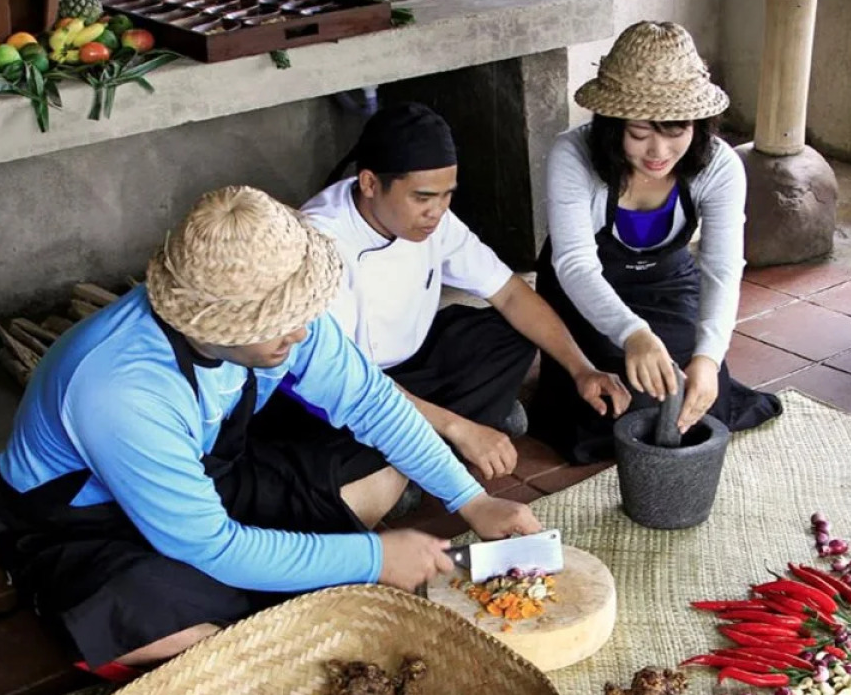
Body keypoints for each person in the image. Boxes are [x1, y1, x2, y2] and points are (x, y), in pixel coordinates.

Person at [0, 186, 541, 672]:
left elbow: (373, 403)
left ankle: (287, 573)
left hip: (210, 475)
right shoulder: (120, 387)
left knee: (365, 484)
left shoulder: (288, 316)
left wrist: (471, 501)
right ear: (212, 325)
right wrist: (376, 558)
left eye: (299, 312)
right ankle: (103, 627)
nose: (302, 332)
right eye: (277, 324)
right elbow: (209, 544)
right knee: (177, 621)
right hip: (82, 525)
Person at [249, 101, 629, 494]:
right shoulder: (323, 241)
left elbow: (511, 293)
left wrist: (582, 369)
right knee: (325, 447)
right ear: (369, 183)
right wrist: (458, 426)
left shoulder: (436, 219)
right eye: (423, 197)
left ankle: (423, 454)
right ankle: (451, 441)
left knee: (509, 335)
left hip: (412, 365)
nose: (437, 211)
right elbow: (348, 383)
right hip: (352, 389)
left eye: (447, 195)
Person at [527, 21, 782, 464]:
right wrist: (633, 333)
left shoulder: (719, 165)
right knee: (619, 394)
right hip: (583, 288)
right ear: (612, 124)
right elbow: (575, 265)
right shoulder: (573, 154)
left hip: (665, 281)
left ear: (698, 124)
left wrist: (707, 355)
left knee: (692, 386)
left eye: (676, 131)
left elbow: (722, 268)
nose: (658, 152)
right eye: (640, 133)